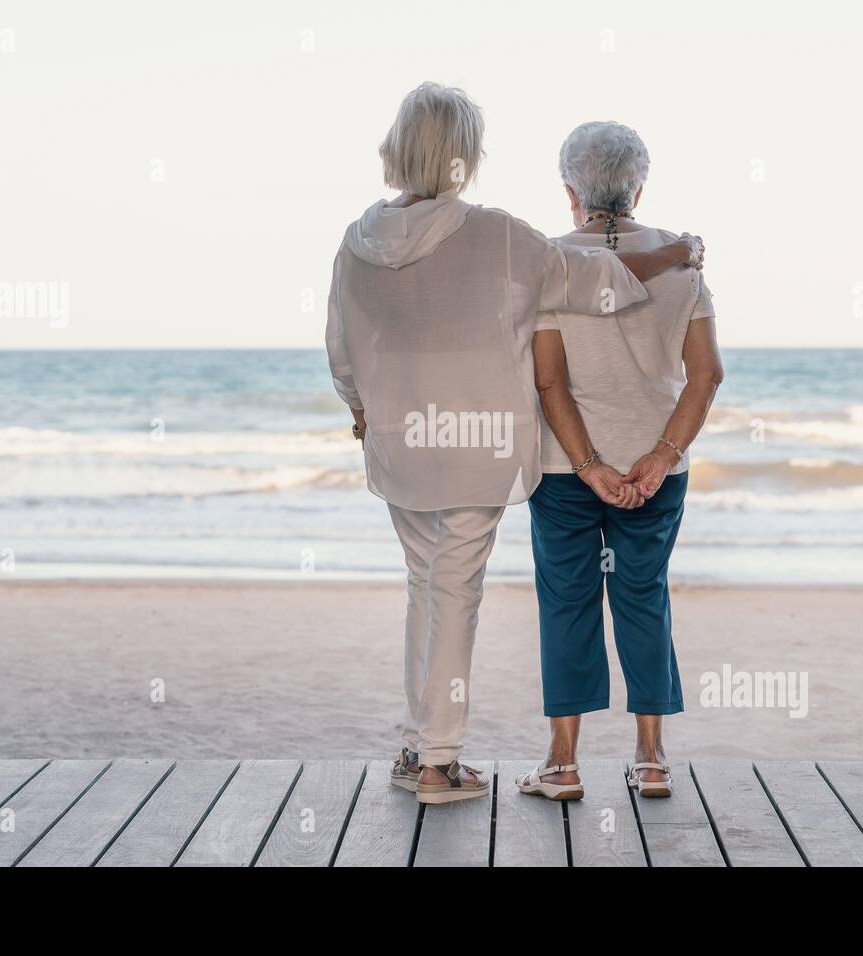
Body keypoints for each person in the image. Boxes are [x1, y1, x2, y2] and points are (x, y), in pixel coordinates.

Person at [326, 86, 701, 805]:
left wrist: (359, 411)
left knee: (422, 586)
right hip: (478, 448)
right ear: (465, 155)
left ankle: (418, 743)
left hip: (402, 446)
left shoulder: (357, 240)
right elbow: (596, 281)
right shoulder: (496, 234)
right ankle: (437, 760)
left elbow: (341, 350)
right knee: (454, 590)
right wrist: (679, 251)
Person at [516, 121, 724, 801]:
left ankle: (563, 765)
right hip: (655, 469)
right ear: (639, 185)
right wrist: (661, 459)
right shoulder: (681, 262)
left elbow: (549, 382)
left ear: (569, 188)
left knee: (567, 604)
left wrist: (589, 465)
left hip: (564, 468)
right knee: (643, 599)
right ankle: (652, 760)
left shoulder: (548, 262)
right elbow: (706, 376)